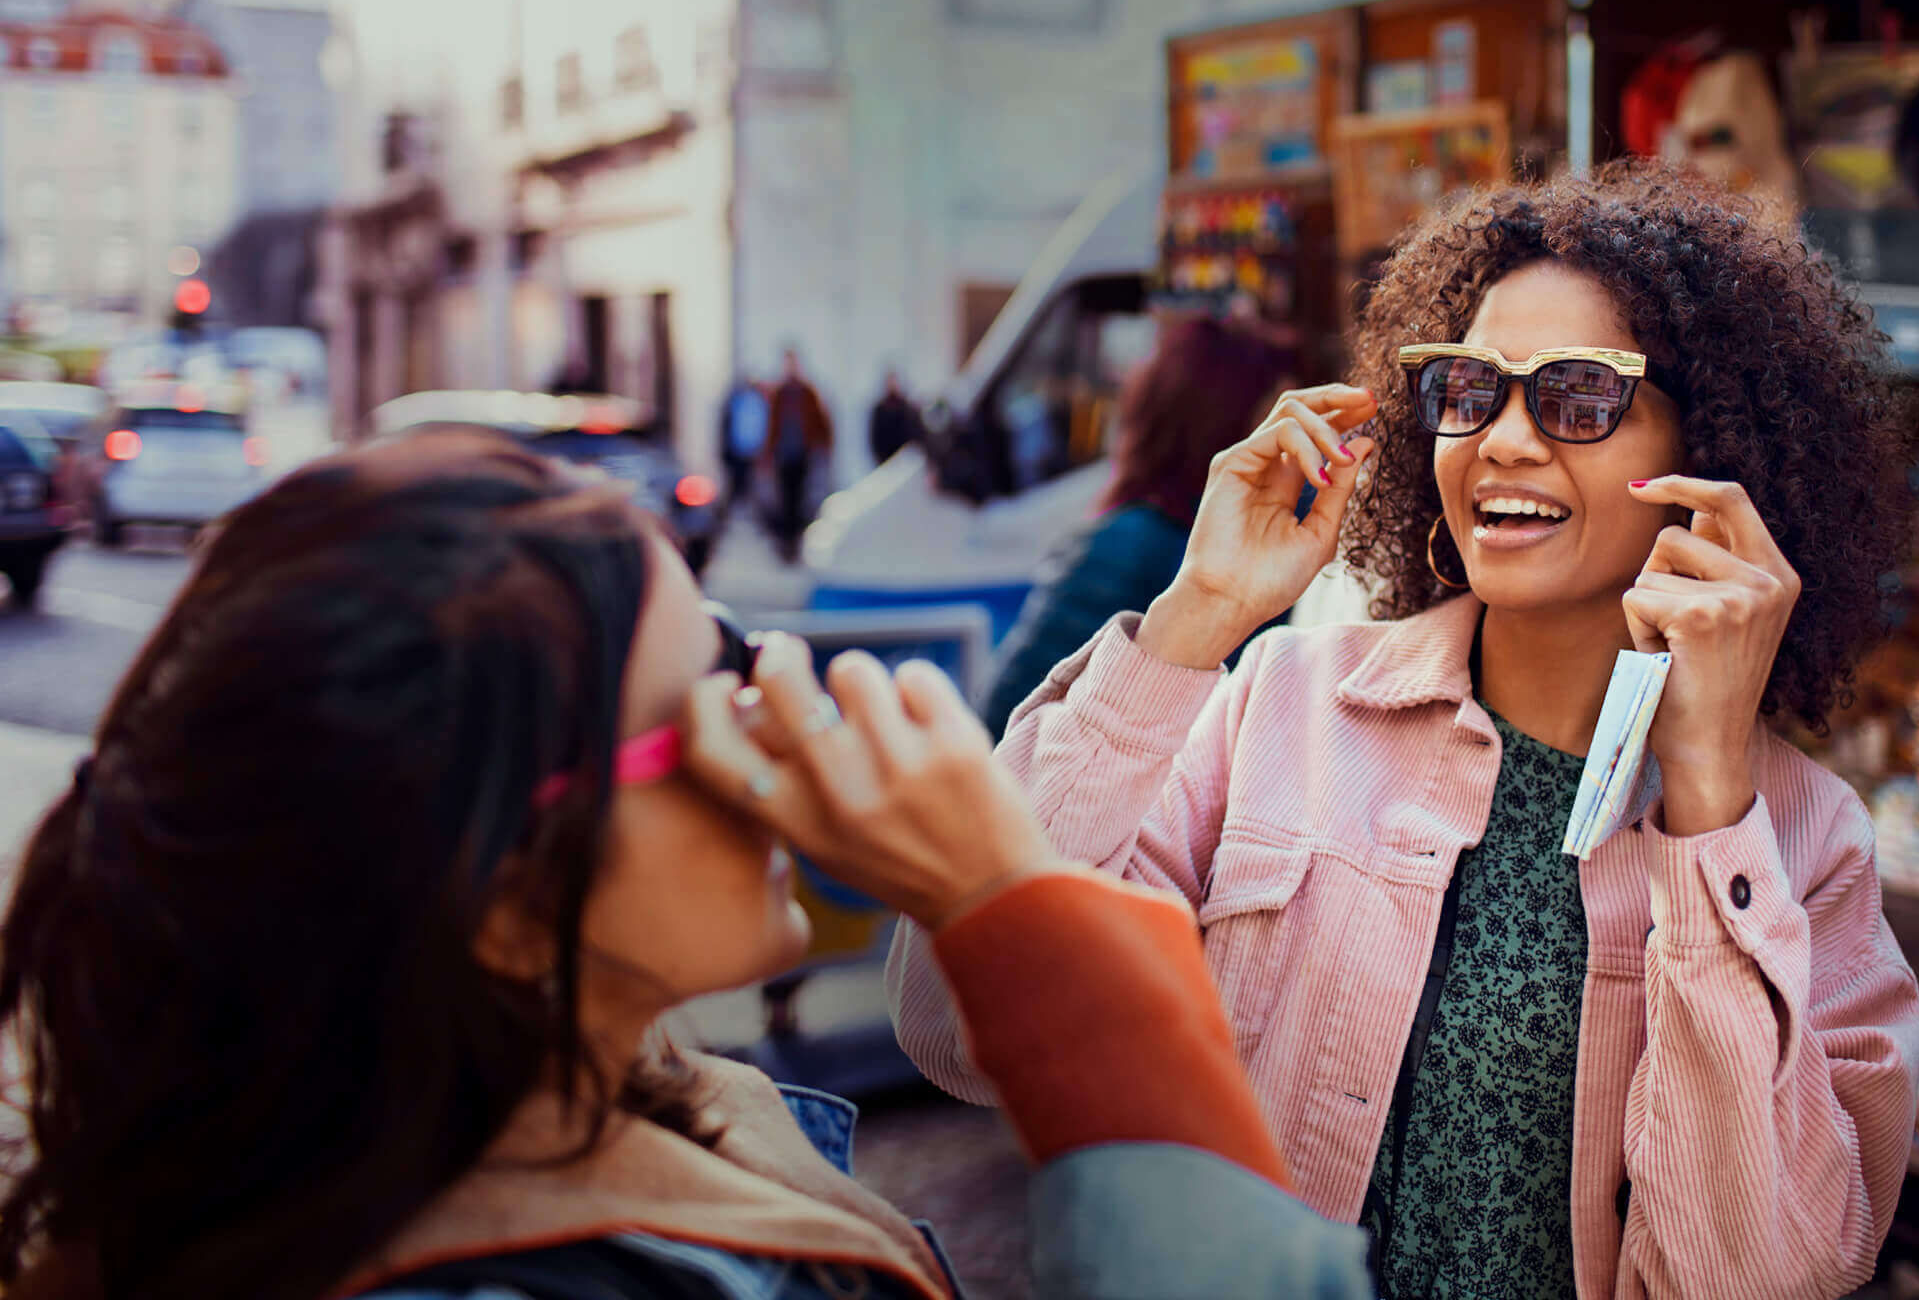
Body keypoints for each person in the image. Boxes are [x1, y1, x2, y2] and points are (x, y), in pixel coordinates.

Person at [0, 428, 1378, 1300]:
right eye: (706, 691)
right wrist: (1011, 917)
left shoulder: (582, 1120)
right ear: (507, 898)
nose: (784, 709)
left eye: (737, 642)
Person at [892, 163, 1919, 1300]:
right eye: (1471, 388)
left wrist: (1708, 796)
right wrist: (1199, 615)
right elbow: (953, 1025)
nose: (1509, 441)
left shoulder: (1796, 837)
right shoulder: (1278, 704)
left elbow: (1759, 1272)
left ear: (1712, 447)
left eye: (1579, 394)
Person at [979, 317, 1294, 732]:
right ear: (1225, 425)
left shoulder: (1230, 542)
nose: (1289, 448)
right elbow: (1008, 722)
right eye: (1273, 422)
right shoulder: (1134, 544)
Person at [765, 348, 834, 562]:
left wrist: (823, 448)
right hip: (784, 456)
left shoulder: (807, 393)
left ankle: (798, 543)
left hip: (802, 455)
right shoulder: (779, 394)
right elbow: (771, 427)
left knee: (802, 500)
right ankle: (786, 546)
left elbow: (822, 423)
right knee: (785, 502)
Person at [720, 372, 770, 527]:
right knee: (738, 483)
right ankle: (739, 516)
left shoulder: (758, 401)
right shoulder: (738, 401)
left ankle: (752, 516)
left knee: (752, 484)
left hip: (754, 449)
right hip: (738, 449)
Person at [869, 370, 924, 468]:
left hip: (905, 460)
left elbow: (913, 433)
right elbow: (875, 437)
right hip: (885, 461)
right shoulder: (880, 409)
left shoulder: (906, 407)